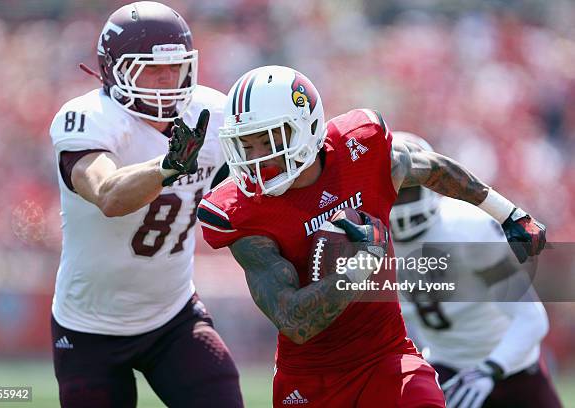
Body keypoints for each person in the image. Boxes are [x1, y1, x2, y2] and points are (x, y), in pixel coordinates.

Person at [197, 65, 546, 407]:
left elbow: (432, 168)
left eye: (269, 139)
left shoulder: (359, 152)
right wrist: (361, 267)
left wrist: (509, 213)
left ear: (306, 127)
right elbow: (295, 322)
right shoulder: (242, 211)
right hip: (311, 376)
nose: (258, 158)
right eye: (246, 145)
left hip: (387, 357)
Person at [49, 2, 242, 407]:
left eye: (177, 67)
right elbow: (110, 196)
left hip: (172, 316)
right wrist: (168, 167)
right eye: (153, 69)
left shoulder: (212, 113)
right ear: (115, 69)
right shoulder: (89, 118)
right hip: (89, 329)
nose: (168, 80)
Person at [390, 132, 562, 408]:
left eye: (408, 188)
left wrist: (490, 369)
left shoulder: (467, 228)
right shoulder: (372, 244)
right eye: (395, 190)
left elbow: (531, 318)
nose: (401, 201)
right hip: (447, 370)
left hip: (512, 366)